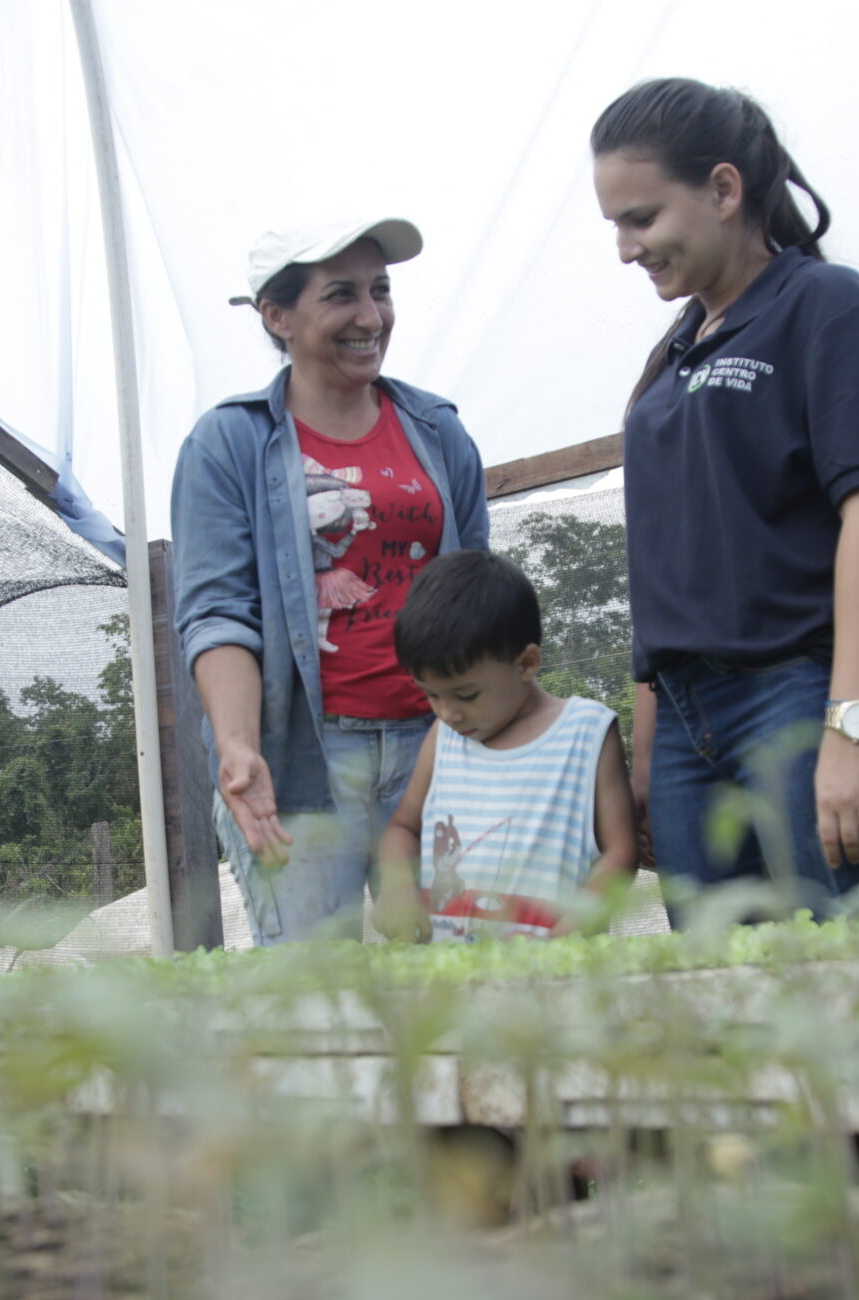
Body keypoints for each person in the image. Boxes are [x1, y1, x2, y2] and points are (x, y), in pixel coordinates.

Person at [589, 78, 859, 920]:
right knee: (728, 1014)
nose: (627, 250)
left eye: (642, 218)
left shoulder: (825, 305)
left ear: (724, 189)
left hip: (802, 692)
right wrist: (647, 753)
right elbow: (659, 568)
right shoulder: (669, 359)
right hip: (683, 722)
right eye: (616, 227)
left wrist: (852, 728)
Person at [170, 217, 491, 946]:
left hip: (436, 747)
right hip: (306, 760)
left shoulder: (437, 429)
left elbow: (478, 597)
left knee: (465, 981)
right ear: (277, 317)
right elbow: (218, 611)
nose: (370, 316)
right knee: (317, 991)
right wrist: (238, 746)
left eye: (380, 290)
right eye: (341, 295)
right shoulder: (229, 442)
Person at [372, 550, 637, 942]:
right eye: (431, 695)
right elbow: (402, 829)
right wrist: (396, 887)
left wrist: (569, 938)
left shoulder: (585, 732)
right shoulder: (443, 738)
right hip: (444, 978)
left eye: (466, 694)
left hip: (554, 977)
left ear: (527, 663)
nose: (447, 713)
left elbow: (620, 854)